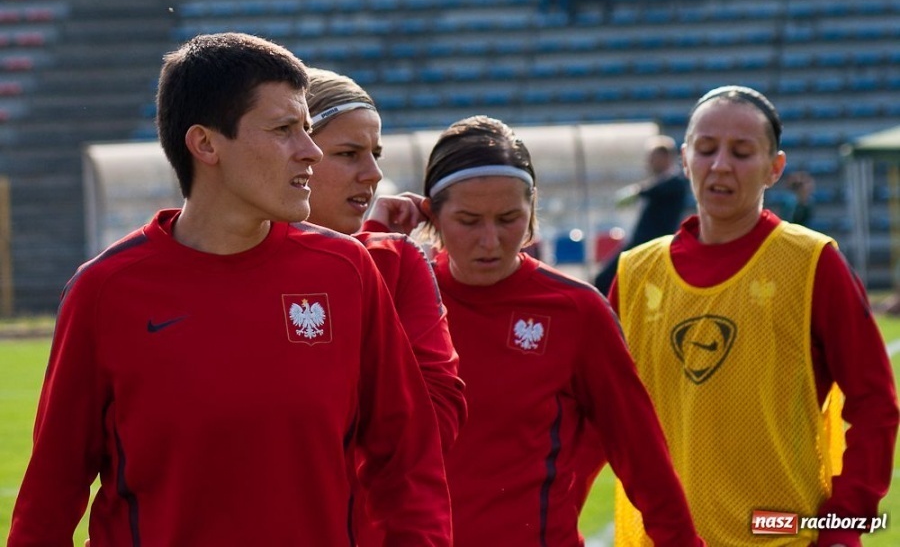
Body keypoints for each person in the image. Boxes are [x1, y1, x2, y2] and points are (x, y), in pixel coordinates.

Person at [8, 32, 451, 546]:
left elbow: (408, 460)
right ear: (206, 144)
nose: (310, 151)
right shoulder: (106, 290)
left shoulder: (346, 271)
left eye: (307, 129)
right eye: (285, 129)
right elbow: (51, 493)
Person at [367, 115, 704, 546]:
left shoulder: (575, 311)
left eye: (509, 218)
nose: (490, 240)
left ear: (532, 213)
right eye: (469, 221)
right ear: (431, 215)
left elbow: (642, 453)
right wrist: (376, 234)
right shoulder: (395, 296)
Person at [609, 85, 899, 546]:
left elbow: (875, 405)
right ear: (685, 160)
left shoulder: (812, 262)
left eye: (742, 152)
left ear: (774, 168)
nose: (721, 165)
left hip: (783, 533)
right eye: (706, 149)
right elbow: (593, 415)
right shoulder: (636, 273)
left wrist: (843, 524)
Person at [303, 67, 466, 544]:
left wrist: (365, 247)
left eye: (374, 154)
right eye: (349, 154)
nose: (373, 173)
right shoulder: (191, 273)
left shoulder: (394, 263)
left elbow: (435, 424)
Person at [593, 134, 689, 294]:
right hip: (640, 246)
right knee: (607, 281)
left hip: (654, 248)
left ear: (665, 157)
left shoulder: (676, 182)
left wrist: (637, 192)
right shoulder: (663, 182)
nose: (649, 162)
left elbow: (657, 189)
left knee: (606, 279)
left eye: (653, 157)